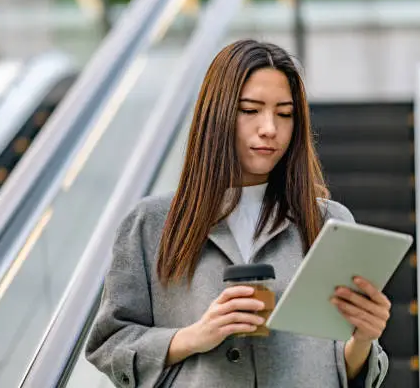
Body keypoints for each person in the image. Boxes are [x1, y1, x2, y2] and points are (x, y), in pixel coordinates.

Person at [85, 39, 390, 387]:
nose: (270, 129)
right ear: (217, 114)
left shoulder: (329, 223)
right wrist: (193, 336)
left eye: (285, 114)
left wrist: (364, 338)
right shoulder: (151, 224)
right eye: (250, 110)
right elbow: (109, 344)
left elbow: (341, 367)